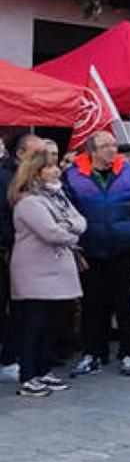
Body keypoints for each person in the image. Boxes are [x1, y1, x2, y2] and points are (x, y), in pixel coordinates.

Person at [64, 131, 130, 378]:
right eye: (106, 146)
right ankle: (94, 352)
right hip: (90, 248)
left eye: (114, 145)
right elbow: (65, 208)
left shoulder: (129, 172)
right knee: (93, 304)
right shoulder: (73, 175)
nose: (113, 150)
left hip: (123, 247)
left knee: (125, 302)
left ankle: (128, 351)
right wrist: (77, 235)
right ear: (92, 151)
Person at [8, 149, 86, 397]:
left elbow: (80, 221)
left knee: (52, 324)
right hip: (35, 272)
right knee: (34, 325)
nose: (56, 171)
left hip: (57, 270)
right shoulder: (29, 201)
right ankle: (29, 375)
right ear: (36, 172)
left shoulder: (58, 196)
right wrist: (71, 233)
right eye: (49, 167)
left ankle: (43, 369)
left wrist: (68, 227)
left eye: (56, 166)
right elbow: (51, 232)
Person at [0, 134, 46, 383]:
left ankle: (13, 356)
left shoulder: (32, 180)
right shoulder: (7, 179)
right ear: (20, 153)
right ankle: (9, 358)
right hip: (11, 251)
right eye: (38, 154)